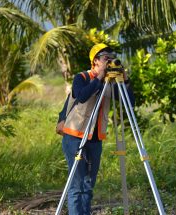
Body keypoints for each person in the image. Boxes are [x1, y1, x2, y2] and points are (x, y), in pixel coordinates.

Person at [58, 43, 135, 215]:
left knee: (88, 186)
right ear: (95, 61)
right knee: (77, 186)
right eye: (106, 58)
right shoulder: (82, 77)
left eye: (111, 58)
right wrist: (98, 78)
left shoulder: (110, 83)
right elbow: (82, 96)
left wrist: (125, 80)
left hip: (94, 139)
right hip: (75, 136)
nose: (109, 62)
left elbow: (129, 104)